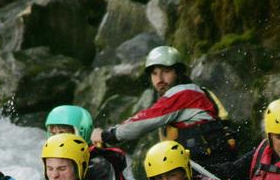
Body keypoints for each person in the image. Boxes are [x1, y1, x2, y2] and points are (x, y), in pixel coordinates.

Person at [91, 45, 238, 172]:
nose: (159, 79)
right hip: (204, 170)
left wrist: (107, 135)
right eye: (154, 73)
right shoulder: (193, 93)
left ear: (178, 73)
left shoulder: (185, 94)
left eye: (166, 71)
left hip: (213, 171)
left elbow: (142, 122)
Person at [45, 104, 132, 180]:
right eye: (53, 134)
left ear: (82, 132)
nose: (56, 139)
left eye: (62, 133)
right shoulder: (63, 162)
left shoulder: (98, 164)